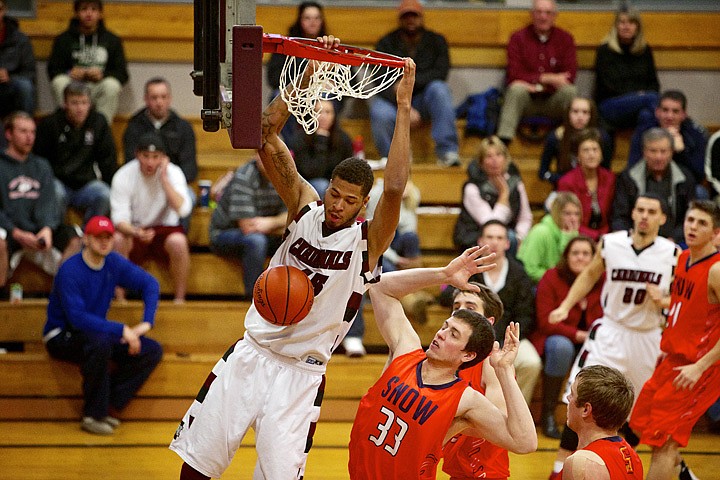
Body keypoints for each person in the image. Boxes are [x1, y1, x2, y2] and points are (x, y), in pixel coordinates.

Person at [169, 36, 416, 479]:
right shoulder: (304, 205)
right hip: (252, 352)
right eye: (334, 194)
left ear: (362, 205)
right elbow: (264, 133)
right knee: (196, 467)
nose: (337, 203)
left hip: (301, 375)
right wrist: (309, 69)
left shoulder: (367, 243)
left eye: (348, 200)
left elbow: (394, 187)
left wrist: (402, 107)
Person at [348, 247, 538, 479]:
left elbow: (525, 442)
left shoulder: (465, 399)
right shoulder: (406, 350)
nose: (441, 334)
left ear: (467, 355)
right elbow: (379, 287)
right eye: (445, 326)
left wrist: (505, 372)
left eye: (454, 334)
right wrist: (444, 274)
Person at [545, 193, 680, 479]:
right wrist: (566, 305)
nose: (644, 215)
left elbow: (681, 299)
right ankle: (559, 469)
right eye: (640, 209)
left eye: (651, 211)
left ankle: (614, 465)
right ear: (632, 213)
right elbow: (589, 275)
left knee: (634, 411)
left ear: (662, 218)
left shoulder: (673, 254)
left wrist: (665, 301)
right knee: (581, 395)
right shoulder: (611, 243)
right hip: (611, 331)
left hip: (646, 337)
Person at [42, 215, 162, 435]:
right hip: (62, 335)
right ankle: (92, 415)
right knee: (99, 344)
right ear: (86, 239)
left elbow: (150, 284)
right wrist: (121, 329)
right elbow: (77, 318)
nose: (105, 242)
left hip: (96, 333)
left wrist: (146, 322)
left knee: (151, 350)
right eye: (98, 237)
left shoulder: (113, 262)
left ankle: (107, 403)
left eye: (108, 237)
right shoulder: (70, 270)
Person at [630, 200, 720, 480]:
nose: (693, 226)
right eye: (691, 220)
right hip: (672, 358)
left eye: (702, 223)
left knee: (663, 442)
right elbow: (689, 307)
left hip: (699, 367)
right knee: (640, 423)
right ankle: (683, 475)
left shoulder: (716, 270)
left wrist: (700, 367)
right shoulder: (683, 258)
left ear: (716, 232)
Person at [443, 220, 542, 405]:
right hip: (470, 334)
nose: (494, 242)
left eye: (499, 237)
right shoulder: (469, 269)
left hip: (508, 336)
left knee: (531, 362)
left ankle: (516, 412)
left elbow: (526, 314)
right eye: (489, 237)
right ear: (480, 241)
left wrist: (507, 340)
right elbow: (447, 297)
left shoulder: (519, 273)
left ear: (507, 243)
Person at [530, 236, 604, 439]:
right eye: (575, 253)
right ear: (566, 256)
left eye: (586, 254)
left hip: (594, 339)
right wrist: (577, 335)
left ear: (594, 258)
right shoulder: (551, 277)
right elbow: (546, 321)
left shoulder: (603, 279)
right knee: (562, 348)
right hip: (555, 338)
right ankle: (548, 414)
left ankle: (603, 421)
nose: (580, 258)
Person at [372, 0, 460, 167]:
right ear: (400, 19)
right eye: (406, 16)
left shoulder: (437, 41)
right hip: (394, 100)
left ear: (422, 17)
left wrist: (407, 83)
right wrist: (403, 105)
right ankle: (392, 160)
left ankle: (447, 151)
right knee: (379, 111)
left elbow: (441, 72)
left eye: (414, 15)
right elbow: (379, 80)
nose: (410, 20)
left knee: (440, 90)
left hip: (425, 98)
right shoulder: (385, 43)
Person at [0, 111, 82, 287]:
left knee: (76, 237)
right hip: (10, 230)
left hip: (38, 231)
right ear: (9, 134)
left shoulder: (42, 165)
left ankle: (63, 294)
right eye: (23, 131)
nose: (29, 137)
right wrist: (16, 232)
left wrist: (46, 229)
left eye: (32, 132)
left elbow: (48, 202)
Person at [442, 282, 513, 480]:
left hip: (483, 472)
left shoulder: (491, 362)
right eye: (456, 307)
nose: (460, 313)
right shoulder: (451, 359)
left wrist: (445, 428)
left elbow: (498, 422)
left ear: (488, 322)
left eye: (470, 308)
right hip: (456, 468)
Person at [110, 132, 191, 303]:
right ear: (137, 155)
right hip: (135, 229)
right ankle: (120, 300)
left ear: (163, 157)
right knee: (117, 239)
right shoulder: (123, 175)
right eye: (145, 156)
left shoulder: (173, 172)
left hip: (163, 230)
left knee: (179, 242)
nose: (150, 162)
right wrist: (136, 232)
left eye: (155, 157)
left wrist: (164, 180)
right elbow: (119, 219)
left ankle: (179, 300)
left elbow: (183, 210)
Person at [33, 81, 117, 225]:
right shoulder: (50, 124)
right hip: (58, 181)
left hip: (86, 184)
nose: (80, 108)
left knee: (104, 194)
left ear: (90, 104)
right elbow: (39, 160)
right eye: (75, 103)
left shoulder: (98, 122)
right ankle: (58, 235)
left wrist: (112, 185)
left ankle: (89, 236)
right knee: (55, 193)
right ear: (65, 104)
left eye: (84, 103)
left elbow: (107, 159)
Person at [496, 0, 577, 145]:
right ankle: (503, 144)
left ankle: (573, 144)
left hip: (553, 100)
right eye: (539, 12)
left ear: (554, 16)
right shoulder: (518, 38)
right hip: (527, 99)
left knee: (570, 92)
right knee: (515, 90)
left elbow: (569, 75)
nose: (543, 17)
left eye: (548, 13)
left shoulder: (565, 39)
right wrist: (547, 78)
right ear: (532, 14)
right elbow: (514, 74)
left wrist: (536, 82)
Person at [208, 157, 286, 299]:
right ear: (257, 156)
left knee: (295, 236)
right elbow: (248, 227)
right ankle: (255, 300)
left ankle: (289, 296)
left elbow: (293, 218)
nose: (268, 159)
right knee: (256, 241)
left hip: (265, 230)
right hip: (224, 233)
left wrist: (270, 222)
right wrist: (279, 223)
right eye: (264, 154)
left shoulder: (285, 175)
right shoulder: (244, 175)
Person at [47, 0, 129, 123]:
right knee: (59, 82)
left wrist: (103, 75)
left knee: (112, 85)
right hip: (73, 86)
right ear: (77, 13)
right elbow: (52, 70)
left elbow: (122, 73)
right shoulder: (63, 39)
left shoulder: (113, 40)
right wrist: (69, 72)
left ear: (100, 14)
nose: (89, 13)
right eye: (84, 9)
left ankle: (101, 130)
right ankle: (66, 125)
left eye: (94, 9)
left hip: (98, 86)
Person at [612, 127, 695, 243]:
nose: (658, 157)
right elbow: (620, 217)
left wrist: (674, 239)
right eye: (653, 151)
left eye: (663, 151)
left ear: (671, 152)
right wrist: (630, 239)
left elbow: (690, 217)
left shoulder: (685, 178)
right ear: (644, 152)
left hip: (674, 241)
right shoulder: (628, 178)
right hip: (635, 240)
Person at [560, 365, 643, 480]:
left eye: (572, 394)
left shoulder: (582, 462)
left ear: (586, 409)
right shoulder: (632, 457)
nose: (568, 398)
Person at [453, 136, 533, 254]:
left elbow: (525, 217)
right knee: (506, 238)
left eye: (498, 155)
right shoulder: (472, 187)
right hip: (475, 239)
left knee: (526, 240)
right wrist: (504, 194)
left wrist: (520, 237)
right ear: (481, 162)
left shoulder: (516, 183)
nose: (494, 160)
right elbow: (491, 224)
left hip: (507, 238)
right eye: (489, 156)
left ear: (506, 159)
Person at [265, 1, 328, 144]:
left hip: (319, 95)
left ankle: (319, 144)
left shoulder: (329, 44)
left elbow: (350, 81)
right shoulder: (286, 44)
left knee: (327, 102)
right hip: (294, 93)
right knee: (279, 96)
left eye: (316, 18)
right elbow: (273, 78)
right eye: (307, 18)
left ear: (322, 21)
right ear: (300, 20)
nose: (312, 22)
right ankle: (291, 145)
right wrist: (302, 82)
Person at [122, 77, 197, 189]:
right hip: (141, 185)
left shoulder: (183, 127)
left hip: (173, 184)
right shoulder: (134, 126)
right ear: (146, 99)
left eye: (163, 97)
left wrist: (170, 179)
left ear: (170, 98)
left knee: (189, 197)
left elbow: (189, 168)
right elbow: (130, 162)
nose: (159, 102)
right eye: (154, 97)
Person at [594, 4, 659, 132]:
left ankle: (637, 152)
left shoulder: (645, 51)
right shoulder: (605, 51)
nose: (626, 26)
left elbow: (654, 84)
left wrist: (639, 97)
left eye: (631, 22)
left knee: (647, 116)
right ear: (616, 26)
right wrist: (638, 95)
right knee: (653, 99)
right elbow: (608, 86)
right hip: (610, 105)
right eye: (622, 22)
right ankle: (682, 126)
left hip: (639, 105)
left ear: (637, 27)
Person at [628, 90, 709, 187]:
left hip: (681, 185)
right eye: (665, 110)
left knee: (700, 192)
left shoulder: (695, 134)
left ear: (683, 115)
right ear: (657, 112)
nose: (669, 116)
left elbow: (698, 176)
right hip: (648, 182)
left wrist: (681, 152)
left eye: (675, 111)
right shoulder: (644, 132)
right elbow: (633, 168)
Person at [538, 97, 613, 188]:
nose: (580, 117)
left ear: (591, 115)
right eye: (575, 111)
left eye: (585, 112)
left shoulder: (602, 138)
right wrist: (565, 180)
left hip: (593, 189)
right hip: (564, 190)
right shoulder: (556, 137)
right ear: (568, 114)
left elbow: (606, 170)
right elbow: (542, 172)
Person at [557, 128, 616, 241]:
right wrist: (596, 236)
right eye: (586, 150)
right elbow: (567, 220)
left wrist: (606, 237)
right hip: (575, 236)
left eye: (595, 150)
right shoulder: (567, 182)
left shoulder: (610, 178)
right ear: (578, 156)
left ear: (601, 154)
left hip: (606, 237)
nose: (591, 154)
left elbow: (613, 215)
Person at [287, 99, 353, 198]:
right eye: (318, 112)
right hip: (307, 184)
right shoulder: (300, 138)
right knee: (322, 186)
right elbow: (313, 172)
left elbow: (347, 169)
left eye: (328, 112)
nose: (323, 117)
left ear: (334, 115)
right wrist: (321, 141)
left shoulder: (343, 138)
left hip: (335, 183)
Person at [517, 191, 580, 283]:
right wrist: (557, 279)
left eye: (577, 214)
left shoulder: (573, 234)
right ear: (556, 213)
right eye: (567, 214)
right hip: (538, 285)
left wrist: (568, 237)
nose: (573, 219)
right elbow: (530, 270)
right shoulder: (541, 232)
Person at [0, 0, 36, 117]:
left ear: (4, 10)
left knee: (24, 86)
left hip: (10, 87)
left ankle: (25, 127)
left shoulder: (20, 39)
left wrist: (9, 77)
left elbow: (30, 72)